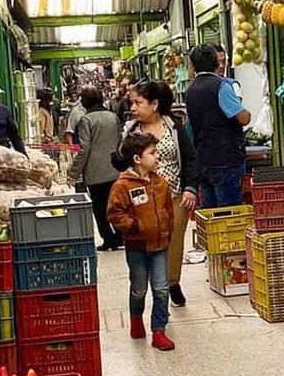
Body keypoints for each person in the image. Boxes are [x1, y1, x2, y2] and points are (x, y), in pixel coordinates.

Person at [126, 80, 197, 308]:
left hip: (175, 196)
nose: (133, 108)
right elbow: (121, 162)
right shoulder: (131, 131)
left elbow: (190, 158)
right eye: (132, 103)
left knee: (174, 243)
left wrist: (190, 188)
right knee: (151, 246)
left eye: (138, 102)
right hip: (143, 201)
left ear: (154, 104)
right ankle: (156, 288)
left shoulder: (174, 127)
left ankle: (172, 282)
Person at [107, 130, 175, 352]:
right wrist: (135, 227)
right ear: (137, 159)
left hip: (160, 246)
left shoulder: (161, 184)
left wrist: (167, 232)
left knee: (161, 289)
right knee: (139, 288)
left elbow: (168, 211)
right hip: (136, 247)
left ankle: (159, 331)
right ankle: (136, 319)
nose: (157, 157)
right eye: (153, 153)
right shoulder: (123, 186)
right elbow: (115, 214)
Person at [184, 42, 250, 208]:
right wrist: (246, 112)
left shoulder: (190, 90)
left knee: (210, 214)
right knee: (228, 214)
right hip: (225, 160)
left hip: (204, 161)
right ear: (216, 62)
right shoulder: (221, 86)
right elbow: (242, 118)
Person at [68, 87, 122, 250]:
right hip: (115, 169)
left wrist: (73, 172)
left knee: (100, 209)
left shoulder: (86, 120)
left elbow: (84, 149)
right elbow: (119, 140)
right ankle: (120, 236)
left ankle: (108, 239)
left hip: (95, 172)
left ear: (84, 102)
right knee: (117, 205)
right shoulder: (113, 117)